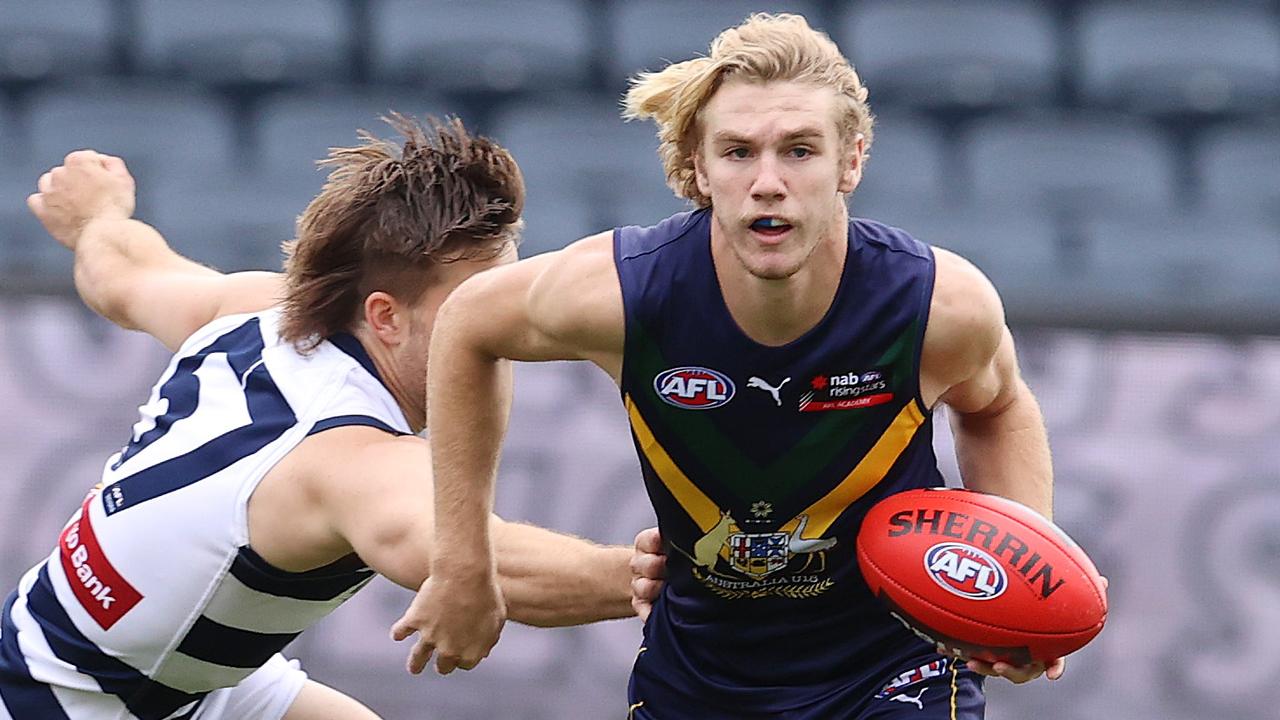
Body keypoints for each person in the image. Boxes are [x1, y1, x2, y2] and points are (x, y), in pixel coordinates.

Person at [394, 13, 1069, 720]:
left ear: (853, 161)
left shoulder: (937, 305)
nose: (768, 183)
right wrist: (464, 561)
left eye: (800, 151)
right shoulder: (624, 294)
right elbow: (468, 324)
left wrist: (1015, 582)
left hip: (894, 670)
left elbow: (996, 407)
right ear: (697, 168)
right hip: (698, 679)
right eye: (739, 152)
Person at [3, 116, 665, 720]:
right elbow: (486, 565)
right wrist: (676, 579)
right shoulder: (352, 457)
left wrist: (96, 217)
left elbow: (123, 272)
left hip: (166, 677)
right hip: (72, 703)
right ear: (384, 316)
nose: (501, 318)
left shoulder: (256, 311)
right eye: (473, 302)